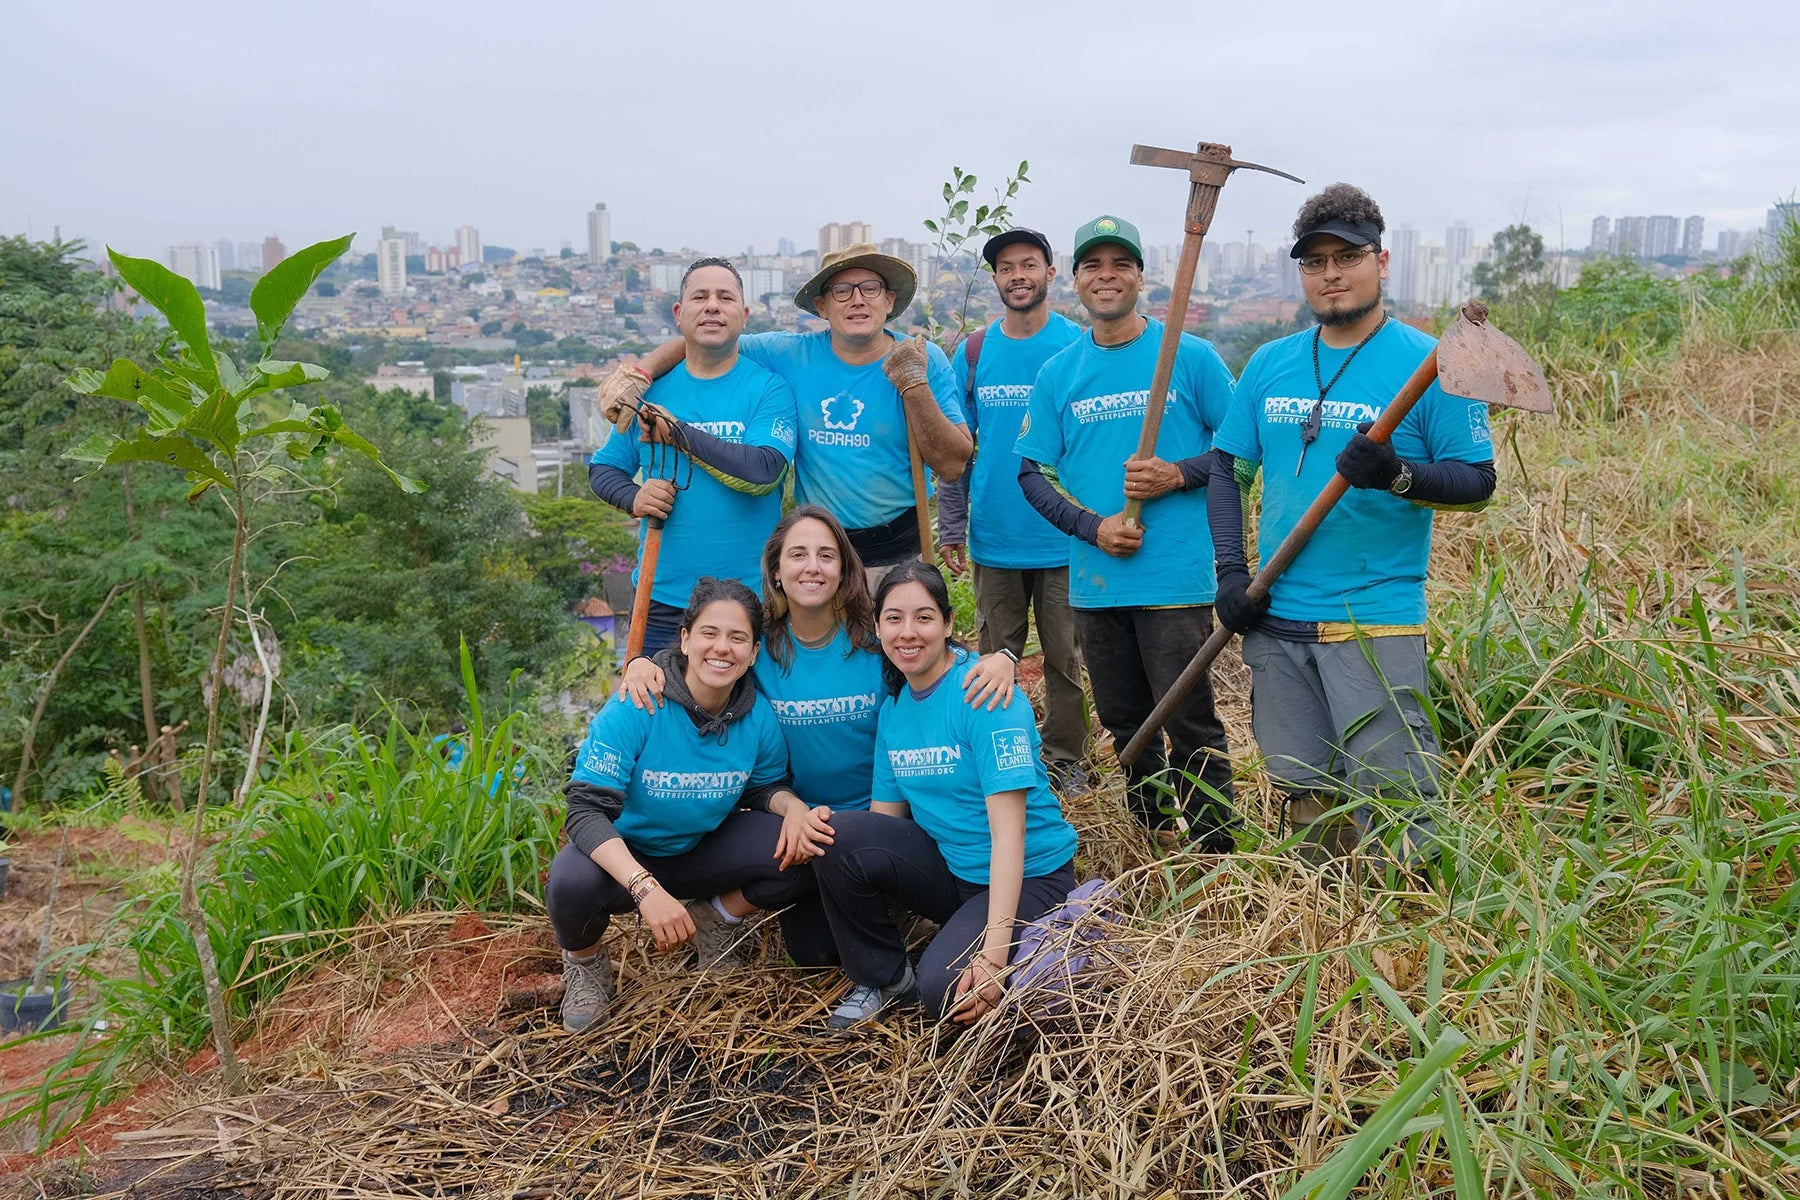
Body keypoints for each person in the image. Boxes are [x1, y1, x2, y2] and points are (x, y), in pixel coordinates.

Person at [1206, 183, 1497, 861]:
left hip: (1373, 620)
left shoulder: (1433, 366)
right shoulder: (1270, 364)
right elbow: (1229, 470)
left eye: (1347, 256)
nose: (1331, 274)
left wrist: (1395, 474)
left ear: (1382, 260)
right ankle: (1322, 925)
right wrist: (1230, 571)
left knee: (1396, 800)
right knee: (1304, 789)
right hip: (1275, 618)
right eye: (1315, 262)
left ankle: (1407, 929)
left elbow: (1478, 483)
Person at [1012, 215, 1239, 850]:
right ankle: (1153, 840)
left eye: (1120, 264)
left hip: (1175, 577)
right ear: (1076, 281)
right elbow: (1031, 474)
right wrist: (1093, 528)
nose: (1106, 276)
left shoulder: (1188, 357)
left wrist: (1176, 473)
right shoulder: (1060, 372)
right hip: (1097, 581)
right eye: (1093, 265)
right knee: (1123, 722)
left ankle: (1216, 851)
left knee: (1189, 720)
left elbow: (1242, 454)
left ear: (1141, 275)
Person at [545, 577, 837, 1033]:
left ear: (755, 651)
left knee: (807, 850)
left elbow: (763, 788)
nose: (722, 648)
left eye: (738, 637)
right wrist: (645, 889)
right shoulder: (637, 704)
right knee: (569, 882)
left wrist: (794, 809)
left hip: (701, 849)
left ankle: (714, 918)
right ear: (684, 639)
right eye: (709, 633)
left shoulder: (755, 715)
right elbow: (584, 812)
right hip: (629, 855)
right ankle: (584, 965)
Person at [597, 244, 971, 581]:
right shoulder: (789, 354)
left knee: (900, 653)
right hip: (822, 555)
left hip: (899, 549)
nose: (857, 300)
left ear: (889, 300)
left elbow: (953, 464)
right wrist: (641, 372)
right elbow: (707, 335)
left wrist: (914, 385)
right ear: (822, 306)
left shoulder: (924, 359)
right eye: (841, 291)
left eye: (869, 288)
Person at [811, 560, 1079, 1030]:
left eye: (924, 617)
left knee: (943, 994)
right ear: (877, 627)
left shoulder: (984, 695)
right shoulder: (895, 709)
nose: (907, 632)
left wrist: (994, 958)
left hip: (1031, 876)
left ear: (949, 623)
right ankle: (885, 977)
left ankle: (1061, 934)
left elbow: (1009, 834)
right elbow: (882, 825)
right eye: (893, 618)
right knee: (837, 832)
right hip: (954, 872)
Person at [619, 505, 1018, 819]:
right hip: (797, 819)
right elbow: (699, 658)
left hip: (891, 816)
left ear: (843, 569)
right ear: (777, 571)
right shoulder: (758, 646)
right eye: (798, 555)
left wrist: (1000, 658)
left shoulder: (876, 639)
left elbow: (937, 659)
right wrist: (645, 663)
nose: (813, 566)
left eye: (826, 555)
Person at [937, 228, 1092, 796]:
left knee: (1064, 660)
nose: (1018, 275)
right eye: (1007, 267)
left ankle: (1065, 758)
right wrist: (951, 523)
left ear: (1051, 274)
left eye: (1030, 264)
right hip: (995, 536)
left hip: (1064, 536)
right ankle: (1002, 755)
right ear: (996, 279)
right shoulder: (974, 353)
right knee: (993, 660)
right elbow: (955, 447)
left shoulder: (1079, 345)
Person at [588, 258, 798, 654]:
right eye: (700, 297)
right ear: (679, 315)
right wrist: (634, 498)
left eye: (725, 297)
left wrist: (679, 433)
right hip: (662, 602)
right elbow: (603, 468)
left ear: (744, 314)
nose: (713, 306)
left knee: (747, 715)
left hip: (750, 603)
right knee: (653, 710)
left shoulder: (769, 390)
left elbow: (762, 472)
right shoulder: (648, 394)